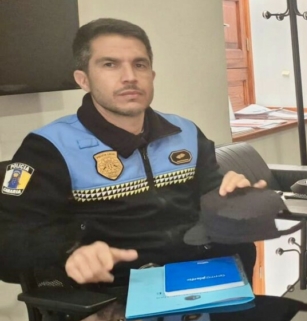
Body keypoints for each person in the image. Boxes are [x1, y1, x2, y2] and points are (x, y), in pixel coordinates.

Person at [0, 18, 262, 287]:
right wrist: (69, 252)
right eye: (110, 64)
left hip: (198, 281)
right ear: (83, 80)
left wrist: (235, 201)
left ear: (152, 76)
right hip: (112, 295)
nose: (130, 77)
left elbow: (213, 195)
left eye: (139, 65)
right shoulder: (49, 148)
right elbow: (9, 239)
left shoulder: (185, 132)